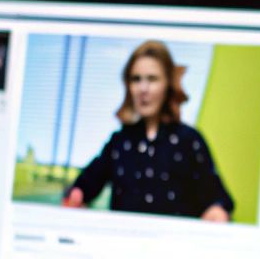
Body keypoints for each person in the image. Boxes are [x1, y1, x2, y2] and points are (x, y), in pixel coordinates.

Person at [63, 40, 233, 221]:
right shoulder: (120, 142)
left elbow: (216, 198)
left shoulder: (189, 140)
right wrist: (75, 197)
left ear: (168, 84)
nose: (143, 89)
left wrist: (217, 211)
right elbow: (83, 187)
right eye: (136, 79)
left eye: (152, 79)